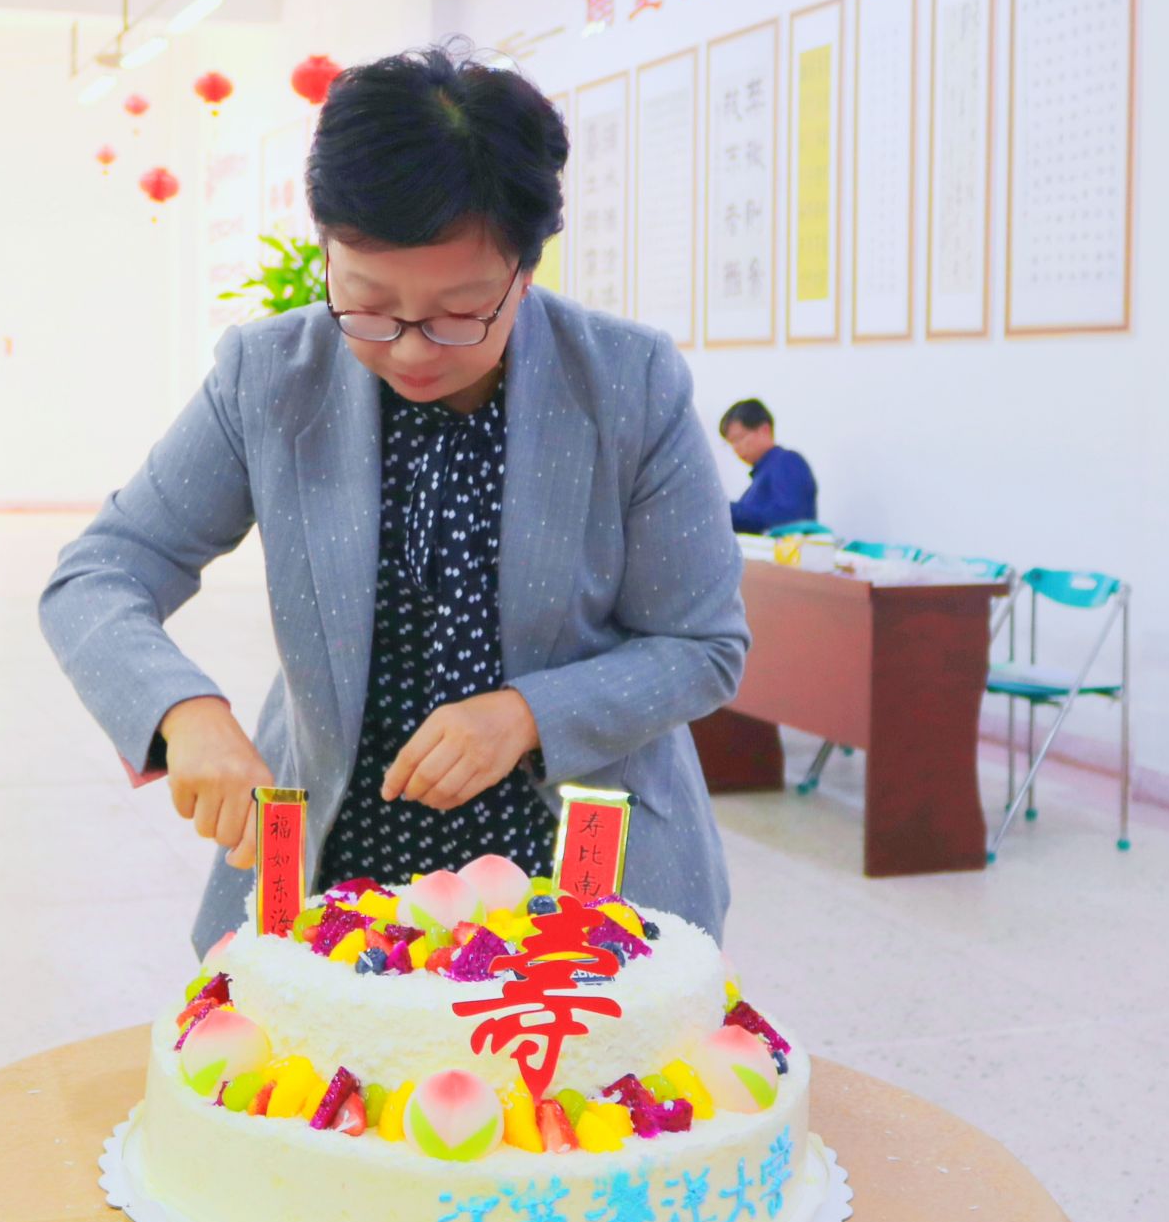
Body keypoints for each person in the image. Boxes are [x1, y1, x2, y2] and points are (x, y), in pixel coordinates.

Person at [42, 46, 750, 958]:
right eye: (368, 303)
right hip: (339, 874)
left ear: (526, 270)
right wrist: (183, 712)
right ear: (326, 253)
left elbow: (702, 645)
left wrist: (527, 714)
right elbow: (100, 573)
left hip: (578, 871)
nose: (411, 348)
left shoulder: (626, 381)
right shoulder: (270, 376)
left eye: (460, 312)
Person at [718, 398, 818, 535]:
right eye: (730, 443)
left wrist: (720, 508)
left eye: (738, 439)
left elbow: (791, 519)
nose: (736, 448)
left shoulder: (787, 461)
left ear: (764, 430)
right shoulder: (758, 479)